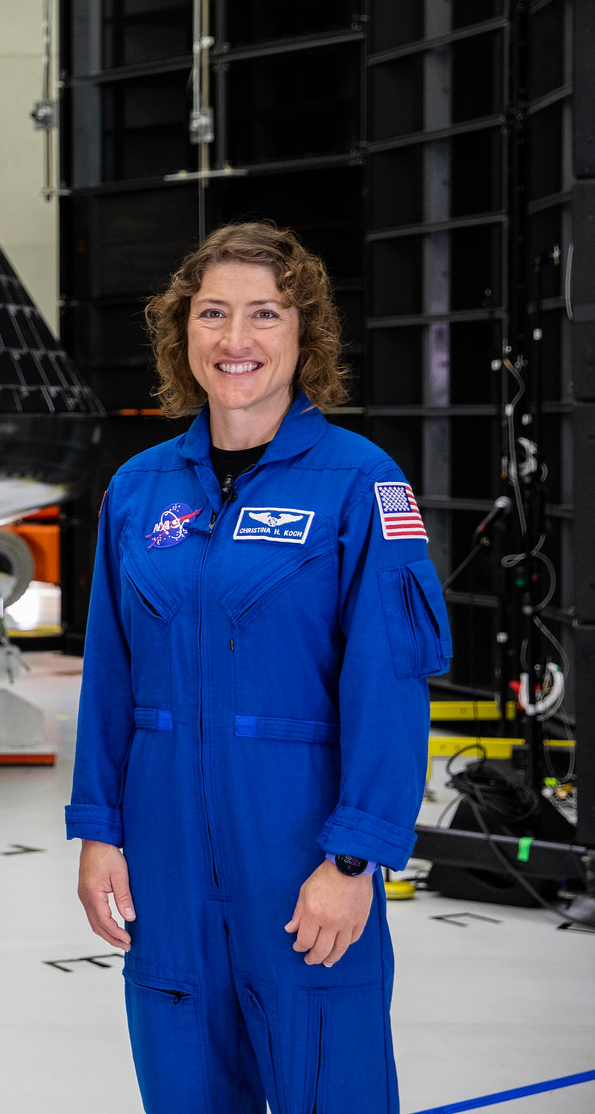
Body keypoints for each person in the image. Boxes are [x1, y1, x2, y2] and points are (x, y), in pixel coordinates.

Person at [68, 222, 450, 1113]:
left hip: (299, 858)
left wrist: (353, 860)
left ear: (304, 334)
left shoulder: (361, 483)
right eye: (212, 314)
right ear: (182, 334)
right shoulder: (138, 489)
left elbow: (389, 689)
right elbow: (109, 679)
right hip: (164, 860)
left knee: (332, 1088)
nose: (235, 339)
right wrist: (99, 830)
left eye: (264, 314)